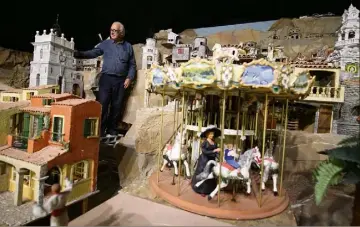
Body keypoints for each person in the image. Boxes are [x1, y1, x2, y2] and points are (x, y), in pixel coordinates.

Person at [74, 22, 136, 137]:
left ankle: (112, 130)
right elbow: (94, 52)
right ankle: (100, 131)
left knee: (117, 106)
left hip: (121, 81)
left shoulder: (128, 47)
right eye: (111, 30)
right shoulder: (105, 44)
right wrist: (79, 53)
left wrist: (129, 78)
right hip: (106, 79)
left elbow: (132, 65)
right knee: (102, 104)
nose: (112, 32)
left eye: (115, 30)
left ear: (121, 33)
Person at [191, 125, 221, 195]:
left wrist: (218, 156)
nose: (212, 135)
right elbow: (205, 152)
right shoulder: (205, 142)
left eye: (213, 134)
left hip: (212, 160)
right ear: (207, 134)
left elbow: (216, 152)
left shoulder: (214, 142)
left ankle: (211, 189)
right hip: (204, 160)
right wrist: (214, 151)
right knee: (204, 175)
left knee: (212, 174)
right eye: (210, 134)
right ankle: (202, 190)